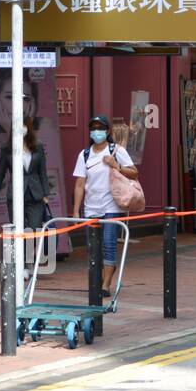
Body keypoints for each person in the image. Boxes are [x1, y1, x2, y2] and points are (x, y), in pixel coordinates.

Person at [72, 115, 137, 297]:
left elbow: (134, 173)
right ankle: (98, 279)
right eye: (93, 128)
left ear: (107, 131)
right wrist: (76, 210)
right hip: (91, 206)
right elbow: (79, 184)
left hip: (112, 206)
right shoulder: (84, 154)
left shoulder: (117, 150)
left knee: (108, 243)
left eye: (100, 128)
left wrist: (116, 165)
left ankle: (106, 285)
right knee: (93, 246)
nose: (96, 132)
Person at [0, 116, 51, 270]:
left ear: (29, 127)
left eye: (24, 125)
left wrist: (46, 194)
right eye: (18, 125)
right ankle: (22, 266)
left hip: (36, 194)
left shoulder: (37, 146)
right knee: (18, 230)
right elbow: (0, 174)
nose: (21, 128)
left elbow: (43, 172)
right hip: (15, 194)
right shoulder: (7, 148)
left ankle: (29, 262)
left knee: (33, 229)